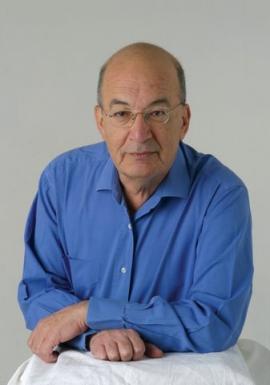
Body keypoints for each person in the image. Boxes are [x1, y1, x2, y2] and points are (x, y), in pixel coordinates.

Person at [18, 42, 253, 364]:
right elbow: (38, 293)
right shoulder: (62, 179)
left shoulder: (221, 194)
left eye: (157, 113)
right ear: (101, 121)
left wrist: (90, 312)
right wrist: (96, 335)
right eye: (122, 114)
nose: (139, 134)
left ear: (183, 120)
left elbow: (215, 322)